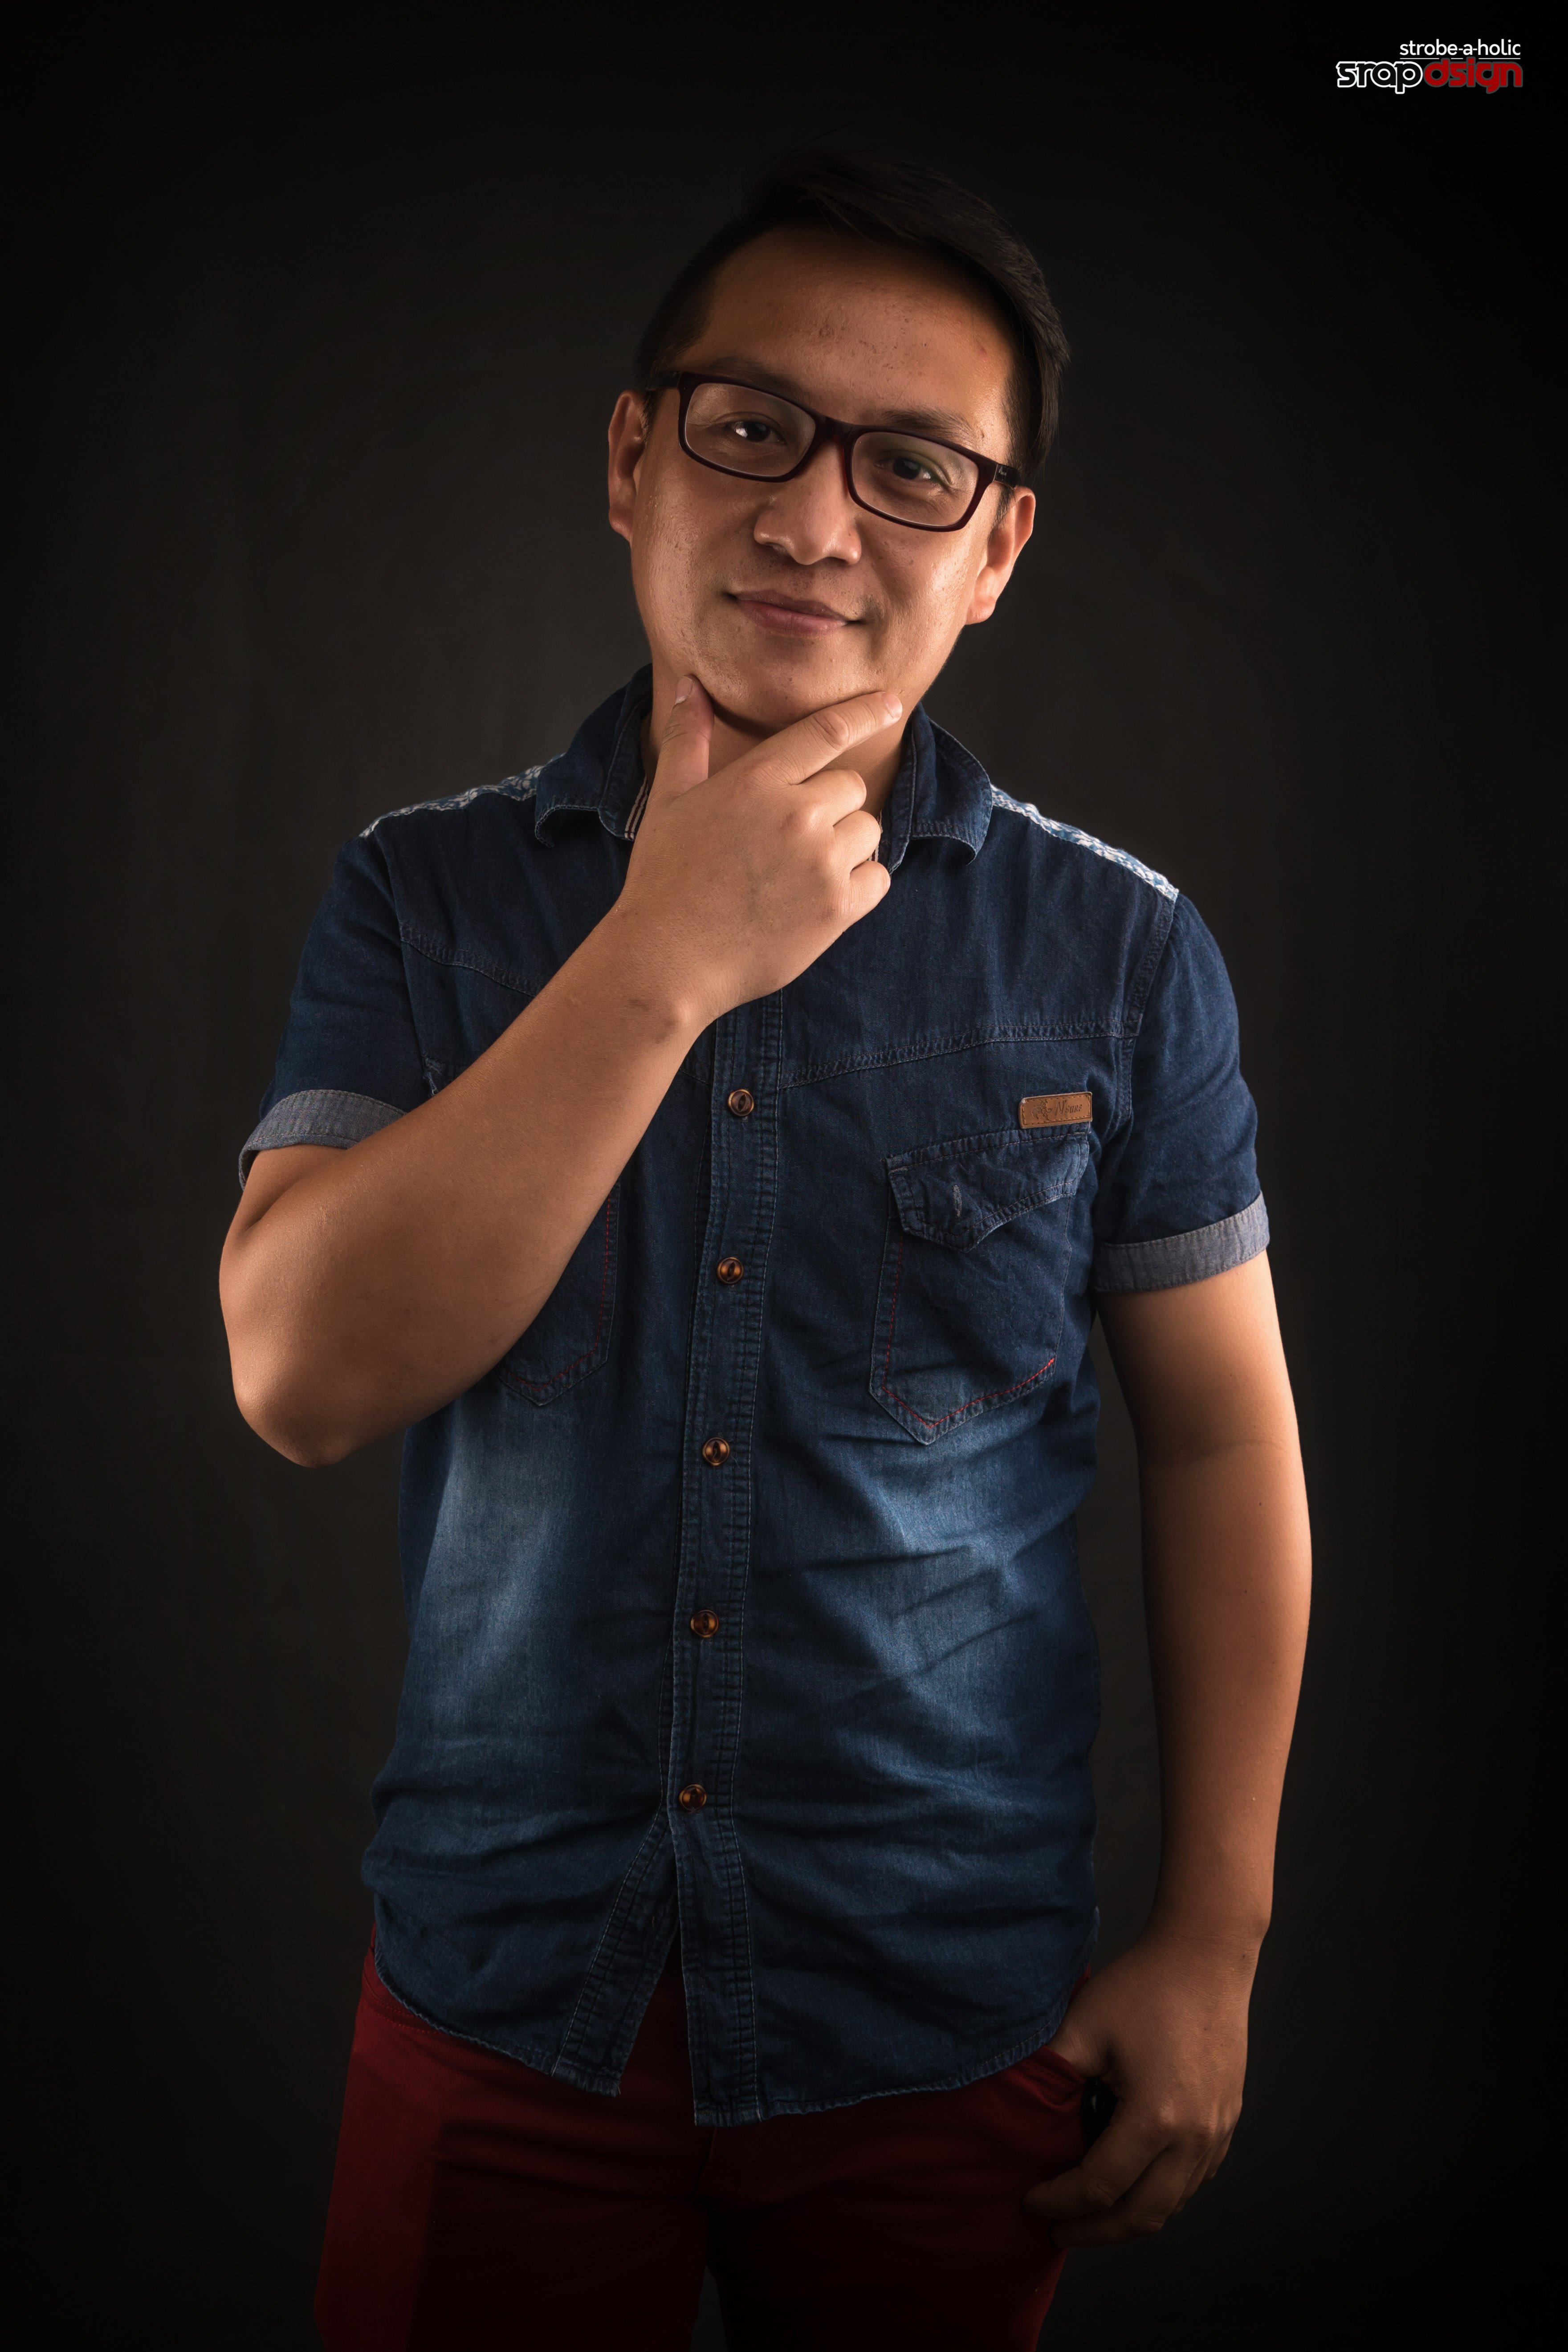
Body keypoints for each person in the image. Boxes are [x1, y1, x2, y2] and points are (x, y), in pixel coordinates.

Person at [220, 151, 1311, 2352]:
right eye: (751, 431)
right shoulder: (425, 901)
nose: (815, 519)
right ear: (632, 461)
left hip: (940, 2006)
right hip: (504, 1988)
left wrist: (1213, 1939)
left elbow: (1219, 1447)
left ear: (995, 549)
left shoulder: (1118, 953)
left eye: (910, 468)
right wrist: (665, 952)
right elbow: (301, 1376)